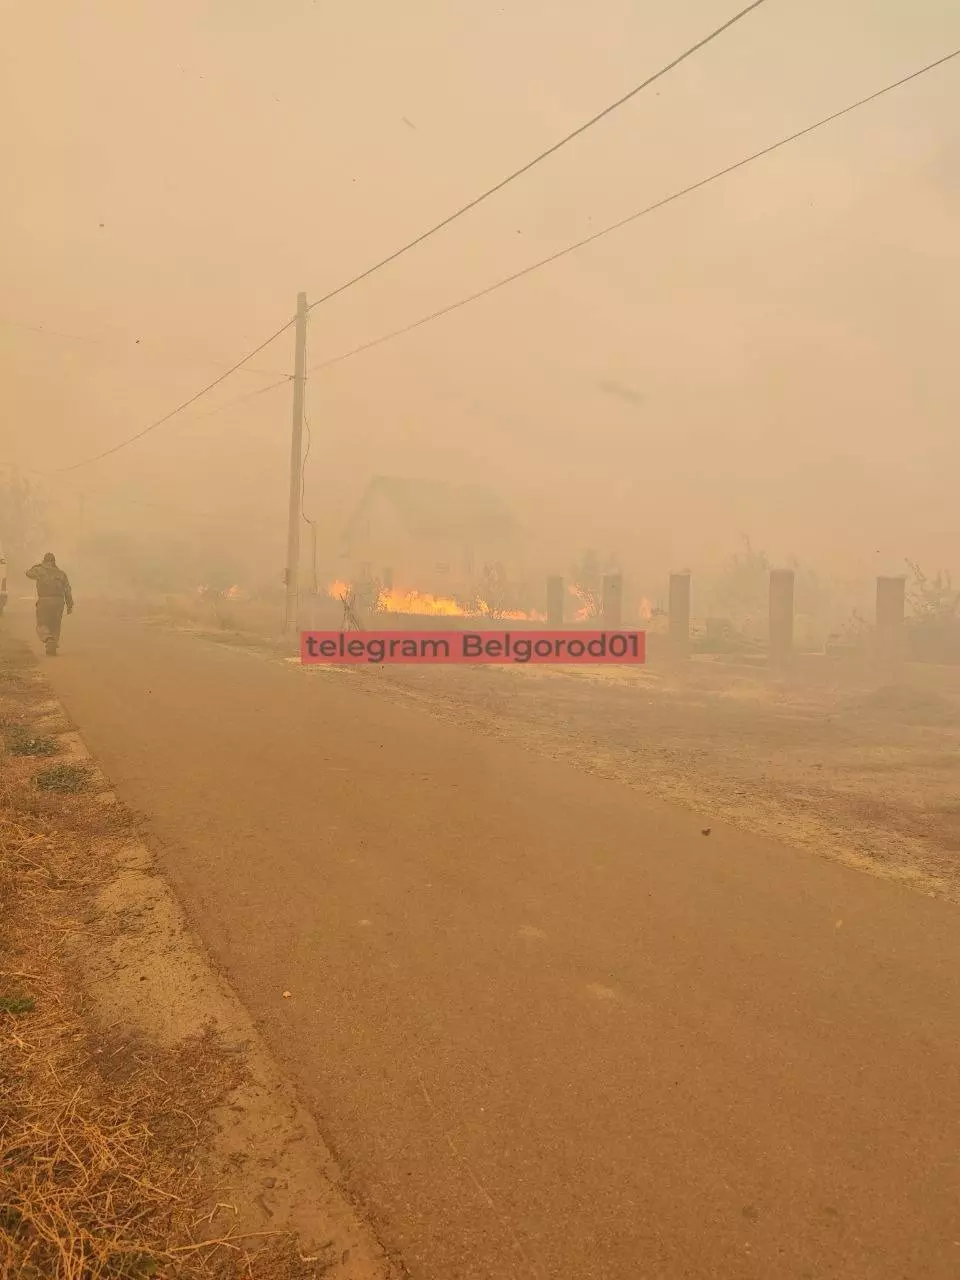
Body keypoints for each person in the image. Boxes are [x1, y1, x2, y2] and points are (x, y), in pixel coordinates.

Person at [25, 552, 73, 656]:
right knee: (55, 624)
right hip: (58, 602)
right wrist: (70, 605)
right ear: (54, 561)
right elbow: (67, 590)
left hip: (44, 601)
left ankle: (48, 638)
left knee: (42, 624)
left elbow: (28, 573)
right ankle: (52, 645)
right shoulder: (61, 573)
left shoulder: (39, 570)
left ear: (44, 561)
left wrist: (38, 566)